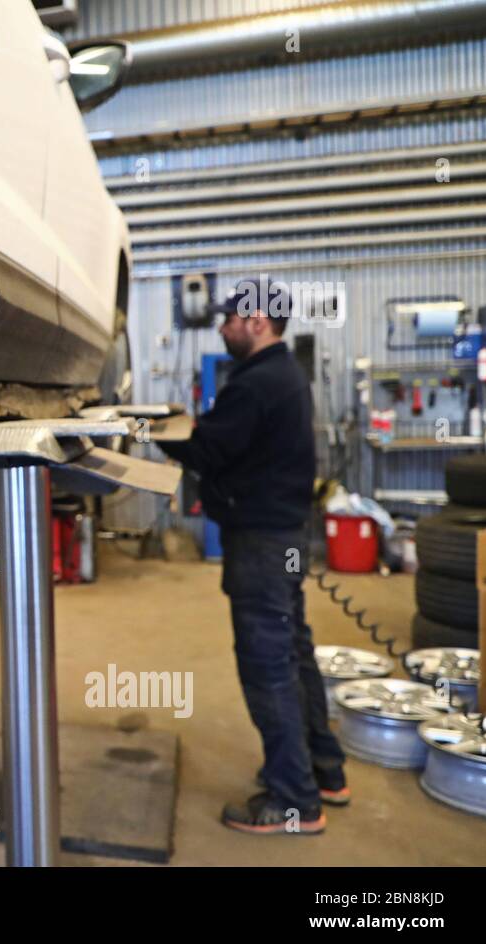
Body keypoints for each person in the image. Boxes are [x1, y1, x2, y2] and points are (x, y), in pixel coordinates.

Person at [157, 277, 346, 836]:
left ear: (259, 320)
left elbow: (207, 449)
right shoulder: (283, 375)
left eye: (231, 318)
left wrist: (150, 428)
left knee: (268, 667)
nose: (222, 326)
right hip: (283, 538)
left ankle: (294, 800)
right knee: (293, 651)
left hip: (262, 545)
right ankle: (325, 771)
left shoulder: (258, 382)